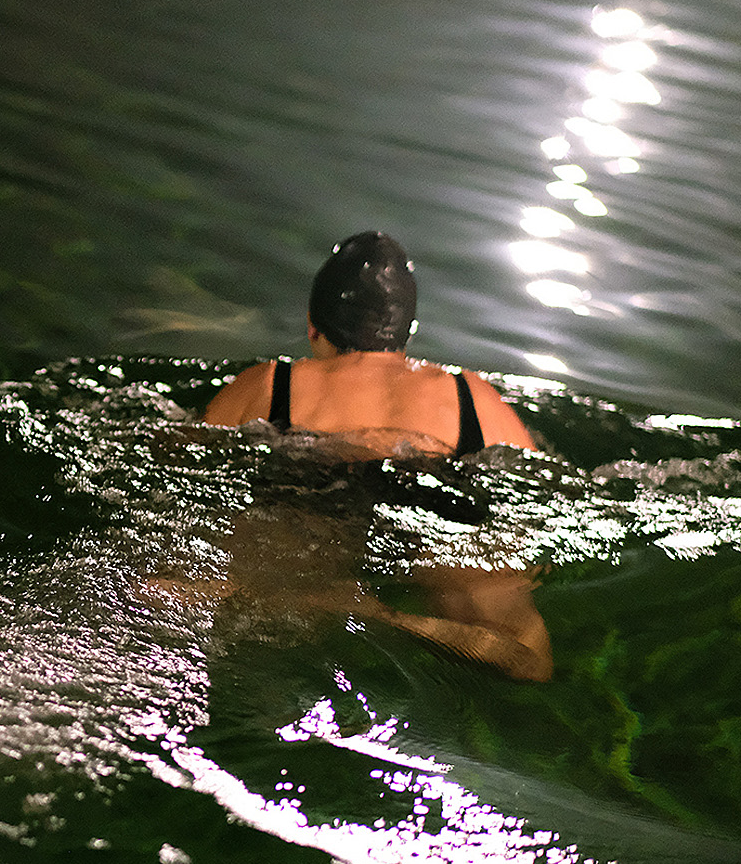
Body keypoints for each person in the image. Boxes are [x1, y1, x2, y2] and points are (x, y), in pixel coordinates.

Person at [193, 230, 553, 682]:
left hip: (315, 489)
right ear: (406, 334)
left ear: (312, 326)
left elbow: (185, 454)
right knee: (525, 655)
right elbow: (540, 480)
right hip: (432, 497)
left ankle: (324, 602)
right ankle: (391, 618)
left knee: (166, 592)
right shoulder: (471, 395)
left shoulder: (273, 382)